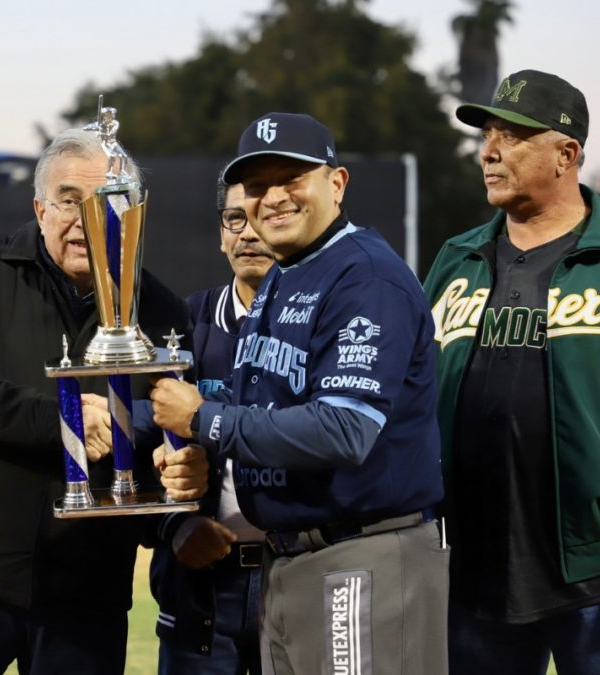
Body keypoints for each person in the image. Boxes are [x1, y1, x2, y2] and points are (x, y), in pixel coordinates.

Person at [0, 128, 209, 675]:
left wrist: (172, 491)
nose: (86, 219)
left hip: (85, 593)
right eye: (68, 201)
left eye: (107, 203)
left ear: (131, 214)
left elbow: (159, 437)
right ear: (40, 209)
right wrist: (60, 419)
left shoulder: (160, 312)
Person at [424, 69, 600, 675]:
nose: (490, 151)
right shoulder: (457, 259)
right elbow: (414, 398)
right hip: (473, 566)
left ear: (566, 153)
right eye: (487, 135)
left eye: (513, 137)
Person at [150, 113, 447, 675]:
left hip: (362, 554)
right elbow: (259, 410)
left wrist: (206, 422)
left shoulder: (365, 277)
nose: (274, 198)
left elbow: (345, 429)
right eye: (258, 186)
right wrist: (187, 453)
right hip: (295, 558)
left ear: (336, 185)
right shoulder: (289, 274)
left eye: (293, 179)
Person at [149, 177, 275, 674]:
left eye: (262, 218)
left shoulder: (324, 325)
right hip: (201, 590)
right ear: (221, 235)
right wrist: (175, 523)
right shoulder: (179, 325)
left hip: (293, 577)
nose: (248, 233)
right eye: (234, 219)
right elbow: (139, 443)